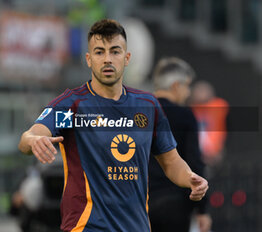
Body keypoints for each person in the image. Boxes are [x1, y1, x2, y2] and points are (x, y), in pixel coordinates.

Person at [18, 19, 208, 232]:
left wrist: (190, 178)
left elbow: (171, 163)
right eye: (99, 52)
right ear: (89, 59)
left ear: (126, 58)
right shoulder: (73, 106)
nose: (107, 59)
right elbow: (31, 135)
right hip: (86, 227)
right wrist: (35, 140)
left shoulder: (147, 106)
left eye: (115, 51)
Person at [148, 57, 212, 232]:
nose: (188, 92)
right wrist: (202, 210)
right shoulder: (185, 115)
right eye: (187, 85)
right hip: (175, 201)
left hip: (142, 202)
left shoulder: (140, 112)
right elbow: (194, 161)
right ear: (176, 85)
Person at [189, 80, 229, 166]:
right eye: (199, 91)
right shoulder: (190, 109)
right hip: (196, 154)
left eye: (203, 91)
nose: (201, 93)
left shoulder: (218, 106)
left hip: (215, 153)